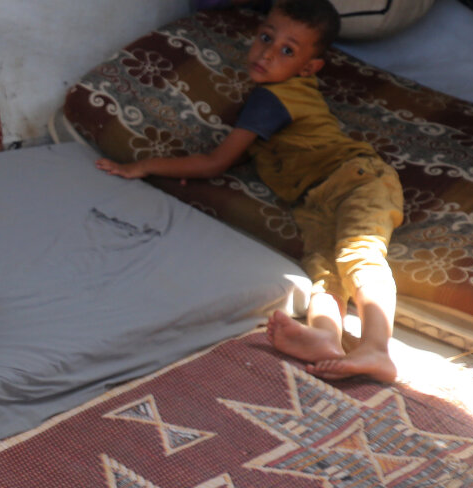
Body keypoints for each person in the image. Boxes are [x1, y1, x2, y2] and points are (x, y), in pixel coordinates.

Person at [96, 0, 404, 383]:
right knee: (323, 272)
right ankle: (326, 336)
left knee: (358, 257)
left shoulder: (270, 99)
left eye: (287, 50)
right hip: (314, 198)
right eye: (265, 37)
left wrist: (141, 166)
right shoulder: (285, 93)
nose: (267, 53)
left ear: (309, 68)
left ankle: (378, 348)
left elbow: (215, 162)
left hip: (359, 181)